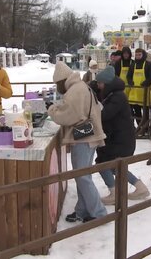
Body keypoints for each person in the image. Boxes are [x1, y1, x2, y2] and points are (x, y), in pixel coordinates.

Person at [48, 62, 107, 223]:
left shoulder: (75, 91)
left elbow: (67, 116)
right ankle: (82, 210)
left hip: (84, 139)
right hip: (90, 136)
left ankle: (99, 213)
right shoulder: (80, 86)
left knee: (82, 177)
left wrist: (52, 110)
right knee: (83, 176)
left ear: (61, 80)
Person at [91, 66, 150, 205]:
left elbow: (105, 115)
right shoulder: (115, 94)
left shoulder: (117, 97)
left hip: (119, 140)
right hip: (119, 138)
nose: (99, 86)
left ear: (106, 83)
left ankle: (114, 193)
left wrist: (93, 112)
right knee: (116, 166)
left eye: (100, 84)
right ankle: (140, 187)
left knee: (102, 164)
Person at [127, 48, 151, 123]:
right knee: (137, 112)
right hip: (135, 93)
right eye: (136, 55)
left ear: (143, 55)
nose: (138, 56)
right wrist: (130, 82)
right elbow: (128, 76)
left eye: (139, 55)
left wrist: (145, 83)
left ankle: (146, 127)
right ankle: (139, 126)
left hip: (144, 93)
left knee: (146, 112)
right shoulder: (133, 65)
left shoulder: (148, 65)